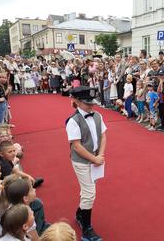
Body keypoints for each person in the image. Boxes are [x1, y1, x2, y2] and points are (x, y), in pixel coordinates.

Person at [66, 86, 107, 241]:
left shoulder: (97, 115)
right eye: (87, 103)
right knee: (90, 193)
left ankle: (79, 213)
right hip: (82, 161)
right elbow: (76, 145)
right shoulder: (73, 121)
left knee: (87, 190)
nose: (91, 106)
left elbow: (103, 136)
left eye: (92, 103)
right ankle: (87, 228)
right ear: (76, 101)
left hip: (95, 158)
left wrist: (100, 155)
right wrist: (94, 158)